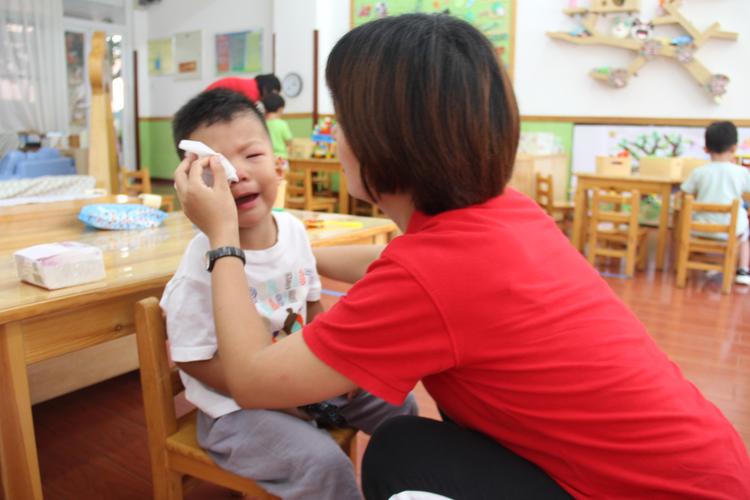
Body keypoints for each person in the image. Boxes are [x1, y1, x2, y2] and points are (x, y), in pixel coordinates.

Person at [174, 14, 750, 500]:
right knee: (414, 435)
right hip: (712, 470)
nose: (334, 137)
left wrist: (224, 237)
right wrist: (290, 248)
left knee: (398, 456)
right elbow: (394, 265)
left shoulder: (426, 276)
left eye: (342, 121)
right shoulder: (505, 213)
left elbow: (250, 379)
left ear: (383, 138)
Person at [162, 88, 417, 500]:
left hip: (301, 381)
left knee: (398, 405)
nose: (236, 174)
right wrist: (285, 398)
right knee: (321, 463)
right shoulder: (200, 263)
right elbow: (195, 359)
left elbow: (313, 306)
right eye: (215, 166)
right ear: (192, 187)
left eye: (252, 156)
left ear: (279, 164)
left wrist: (327, 371)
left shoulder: (295, 232)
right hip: (235, 413)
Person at [681, 121, 750, 285]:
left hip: (700, 227)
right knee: (745, 236)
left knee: (702, 234)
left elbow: (685, 194)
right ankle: (742, 270)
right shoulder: (741, 172)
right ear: (734, 148)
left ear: (705, 149)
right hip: (731, 230)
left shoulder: (699, 172)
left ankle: (709, 264)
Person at [261, 93, 293, 163]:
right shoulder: (282, 124)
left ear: (265, 108)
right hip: (282, 159)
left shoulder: (261, 124)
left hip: (266, 159)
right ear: (280, 109)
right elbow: (289, 142)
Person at [206, 73, 281, 103]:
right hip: (211, 98)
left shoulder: (252, 85)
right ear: (266, 88)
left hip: (213, 97)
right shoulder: (253, 92)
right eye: (272, 93)